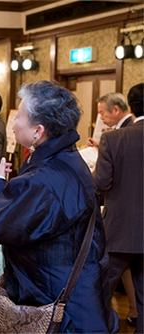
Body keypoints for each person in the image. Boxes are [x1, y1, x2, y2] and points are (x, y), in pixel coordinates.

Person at [0, 81, 118, 333]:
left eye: (19, 116)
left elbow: (2, 223)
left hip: (56, 298)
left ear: (38, 131)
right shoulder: (66, 158)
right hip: (79, 290)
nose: (14, 122)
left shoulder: (45, 177)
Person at [93, 83, 143, 333]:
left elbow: (101, 182)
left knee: (101, 290)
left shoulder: (113, 139)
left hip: (120, 229)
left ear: (130, 107)